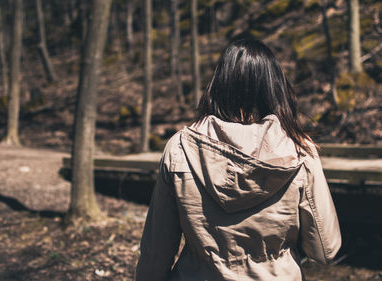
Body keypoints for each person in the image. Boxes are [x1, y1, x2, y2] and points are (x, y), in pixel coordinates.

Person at [135, 38, 341, 281]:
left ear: (218, 85)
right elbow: (325, 250)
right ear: (275, 89)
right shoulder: (299, 150)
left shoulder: (180, 148)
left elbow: (155, 255)